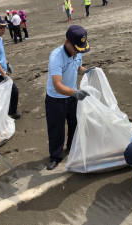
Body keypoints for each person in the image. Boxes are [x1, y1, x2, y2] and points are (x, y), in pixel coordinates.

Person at [45, 25, 94, 170]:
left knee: (75, 124)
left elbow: (77, 67)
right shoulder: (56, 57)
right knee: (56, 129)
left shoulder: (77, 52)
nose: (79, 52)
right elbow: (57, 85)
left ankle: (72, 149)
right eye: (77, 48)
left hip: (73, 97)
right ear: (67, 42)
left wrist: (85, 71)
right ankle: (55, 156)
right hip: (56, 99)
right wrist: (74, 93)